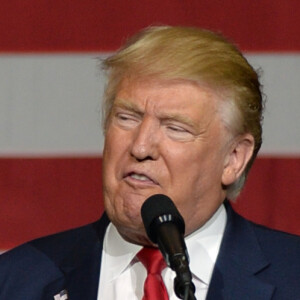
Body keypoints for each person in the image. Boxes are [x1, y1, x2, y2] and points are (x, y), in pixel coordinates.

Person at [0, 26, 299, 300]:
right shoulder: (15, 281)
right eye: (126, 118)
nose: (140, 147)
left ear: (233, 158)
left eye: (175, 128)